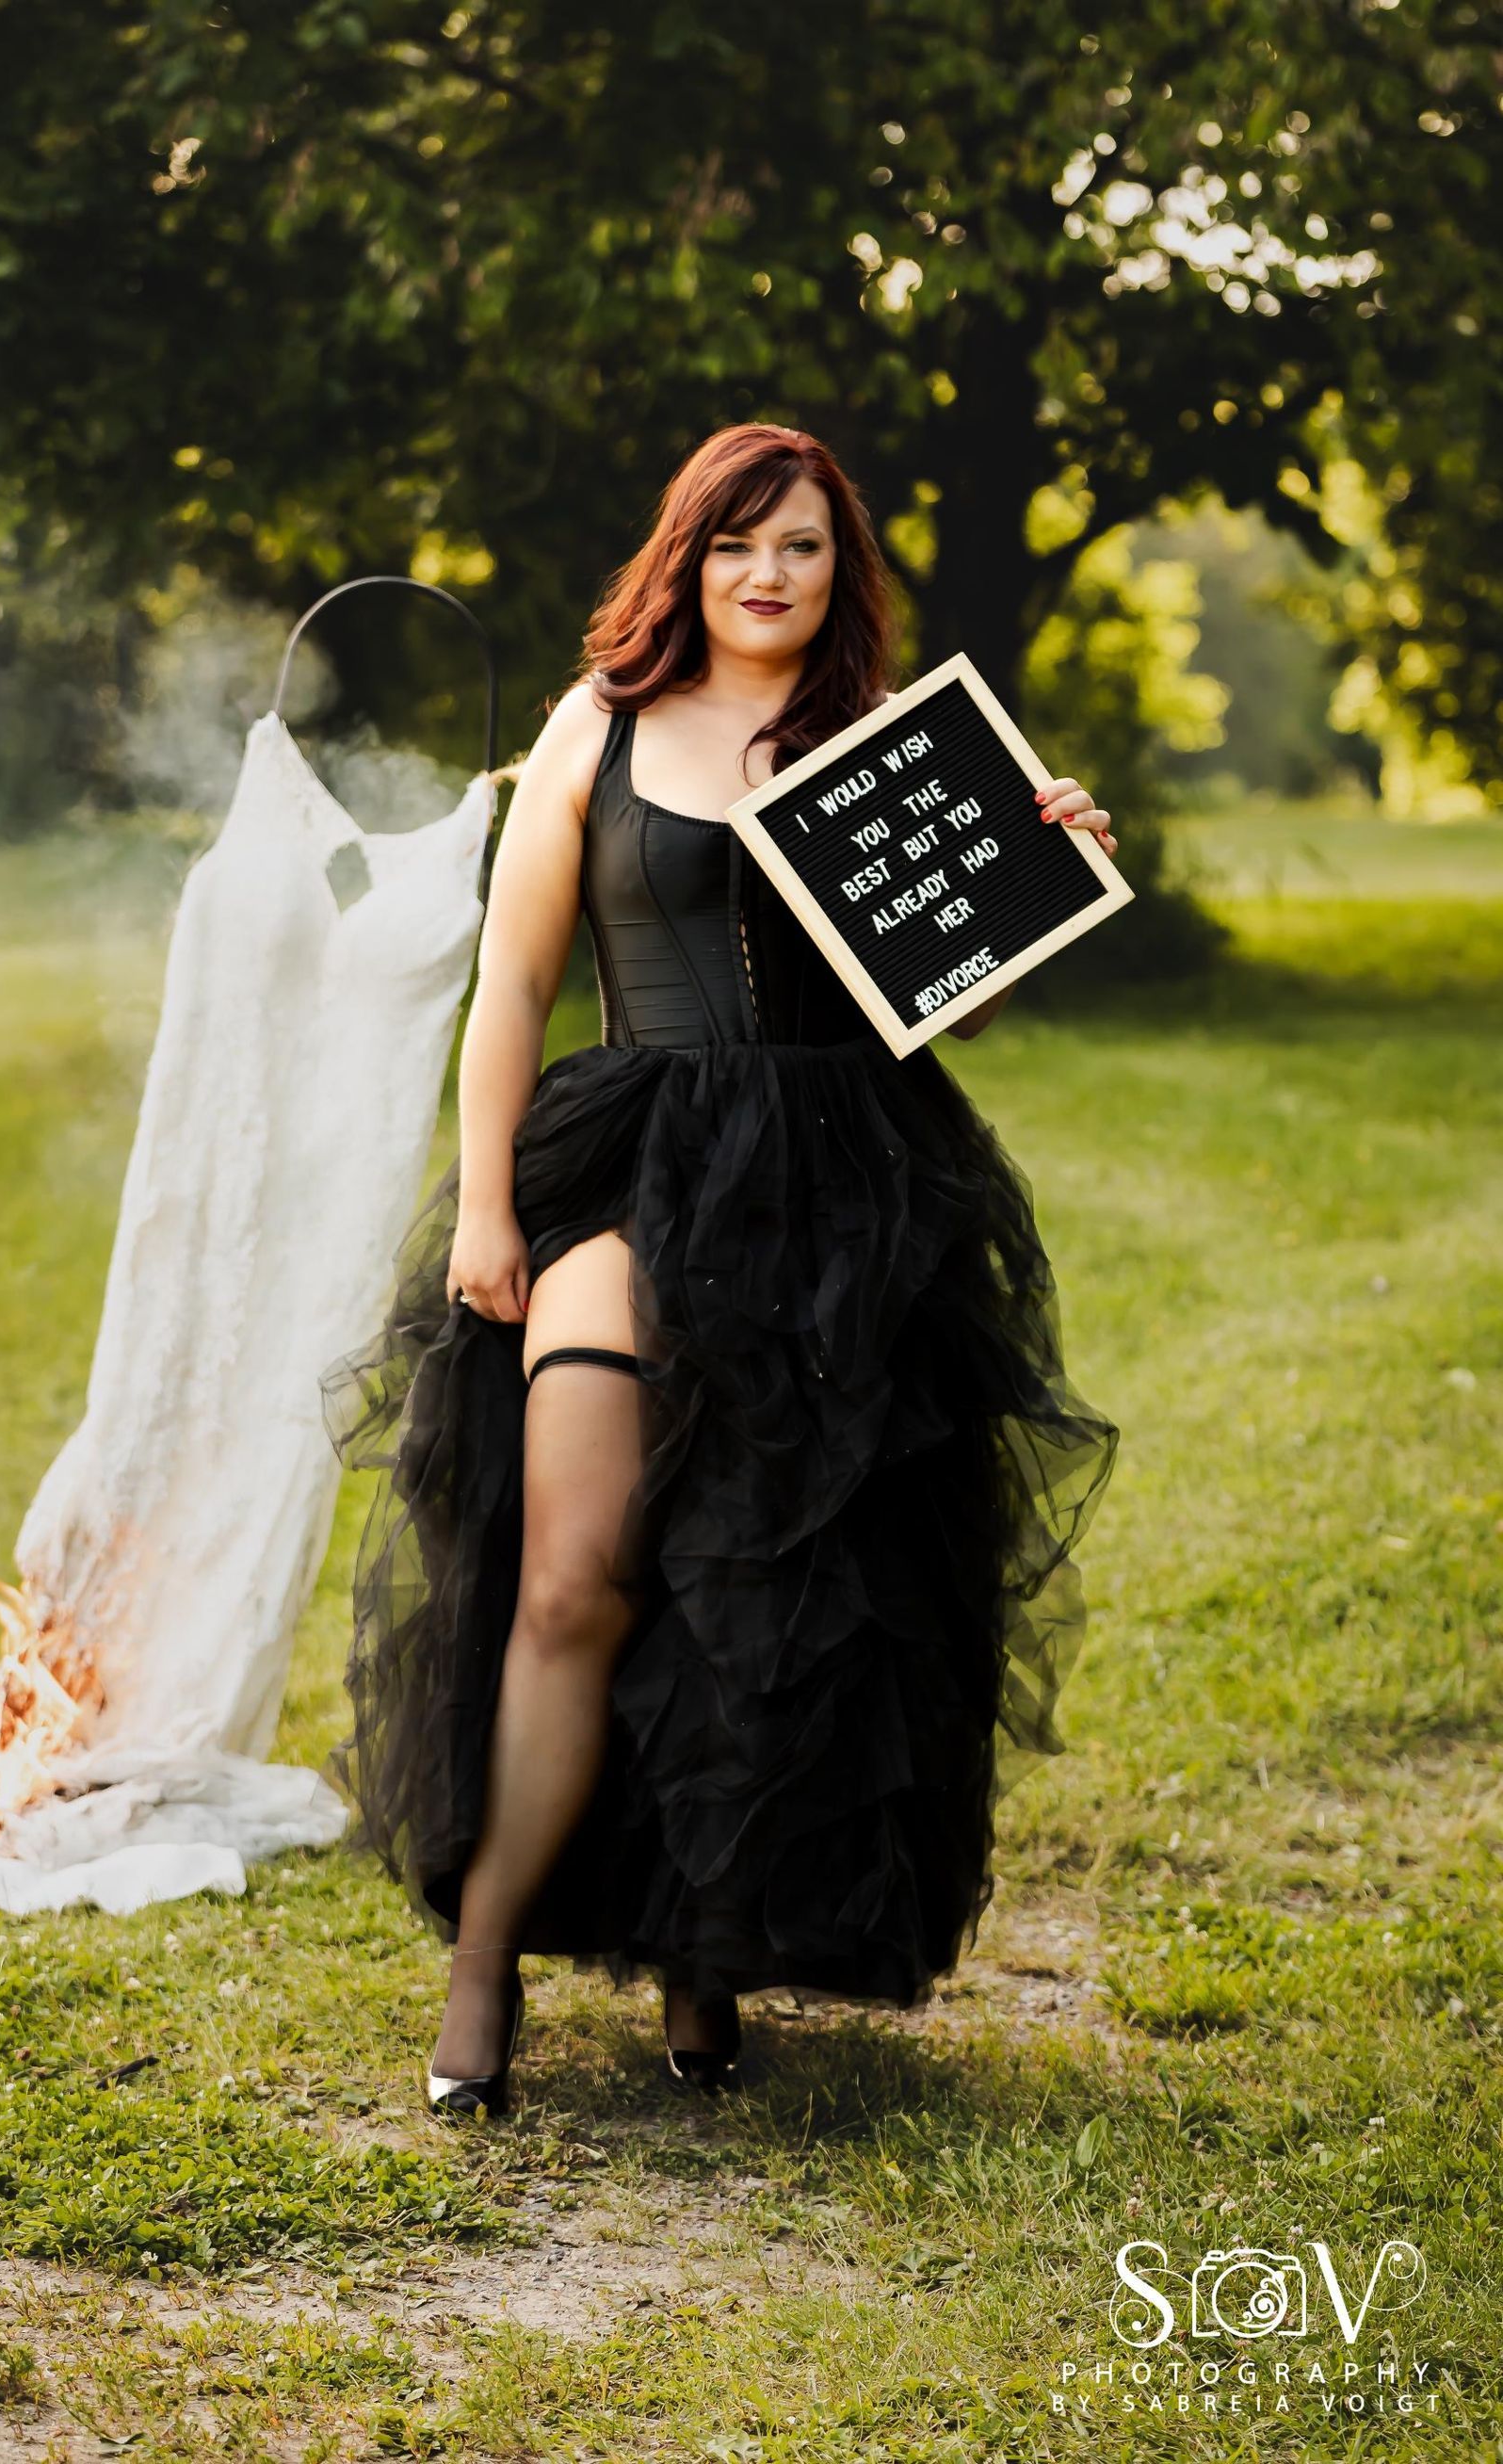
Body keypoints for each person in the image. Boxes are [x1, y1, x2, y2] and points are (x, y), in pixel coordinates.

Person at [321, 421, 1120, 2117]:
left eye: (803, 546)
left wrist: (1039, 858)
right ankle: (484, 1966)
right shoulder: (597, 725)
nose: (769, 573)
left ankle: (706, 1953)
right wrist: (487, 1207)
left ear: (842, 570)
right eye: (737, 542)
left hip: (844, 1196)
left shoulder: (885, 749)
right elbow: (514, 983)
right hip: (630, 1165)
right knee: (573, 1578)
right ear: (685, 559)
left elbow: (955, 999)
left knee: (756, 1590)